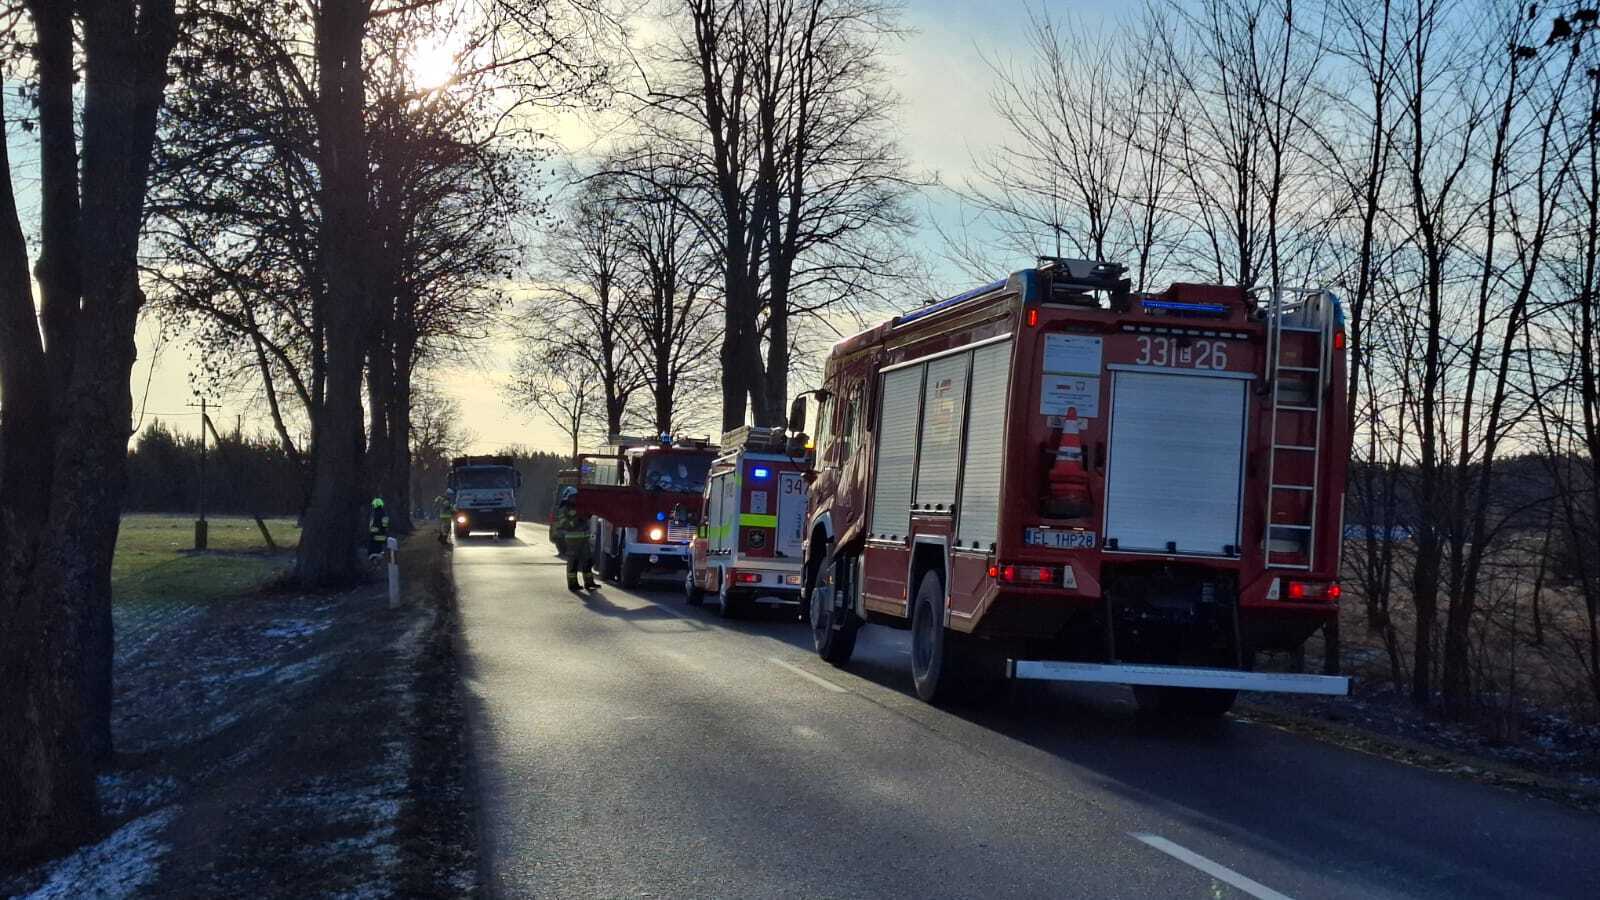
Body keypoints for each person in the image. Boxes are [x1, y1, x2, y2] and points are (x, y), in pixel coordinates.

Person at [556, 497, 597, 591]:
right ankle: (572, 584)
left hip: (584, 539)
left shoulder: (579, 507)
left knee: (587, 561)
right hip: (572, 540)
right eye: (572, 497)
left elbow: (587, 517)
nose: (574, 499)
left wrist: (586, 515)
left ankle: (589, 582)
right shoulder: (564, 509)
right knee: (573, 562)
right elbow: (564, 524)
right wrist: (576, 520)